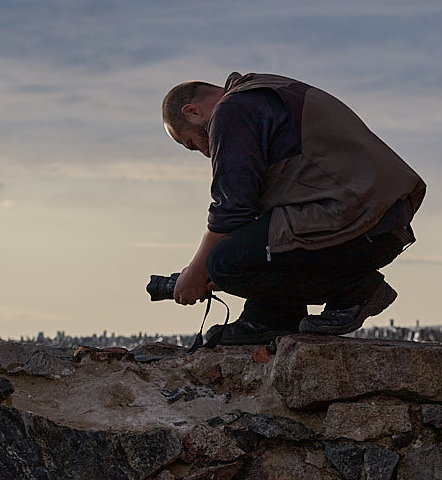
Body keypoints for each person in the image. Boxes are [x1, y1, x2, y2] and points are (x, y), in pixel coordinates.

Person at [161, 72, 426, 345]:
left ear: (192, 111)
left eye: (191, 143)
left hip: (360, 223)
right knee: (240, 255)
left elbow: (232, 209)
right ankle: (271, 318)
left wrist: (197, 273)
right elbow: (261, 219)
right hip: (379, 225)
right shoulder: (265, 92)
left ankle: (355, 291)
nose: (204, 153)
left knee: (223, 260)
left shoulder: (233, 109)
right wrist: (247, 273)